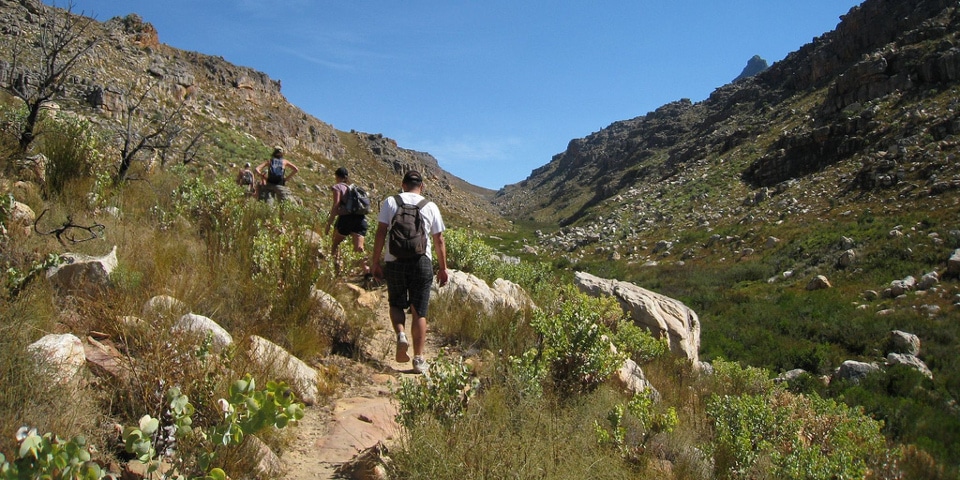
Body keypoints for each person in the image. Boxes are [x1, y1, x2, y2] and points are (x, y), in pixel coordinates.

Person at [370, 170, 448, 374]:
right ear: (421, 187)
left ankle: (401, 335)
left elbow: (381, 232)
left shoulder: (390, 202)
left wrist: (375, 261)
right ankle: (419, 358)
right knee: (419, 311)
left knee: (396, 303)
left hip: (394, 260)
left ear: (403, 184)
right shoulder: (430, 206)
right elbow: (439, 240)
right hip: (422, 262)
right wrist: (443, 268)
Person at [325, 166, 369, 276]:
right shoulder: (352, 188)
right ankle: (367, 271)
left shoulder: (338, 187)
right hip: (360, 219)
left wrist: (329, 223)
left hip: (346, 220)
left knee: (336, 245)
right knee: (359, 248)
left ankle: (338, 272)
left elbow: (335, 206)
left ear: (337, 176)